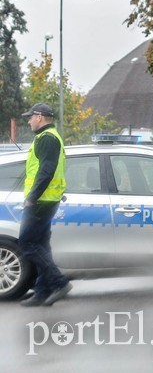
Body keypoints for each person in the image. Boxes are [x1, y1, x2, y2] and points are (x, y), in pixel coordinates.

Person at [18, 103, 72, 306]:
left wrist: (32, 197)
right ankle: (41, 291)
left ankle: (59, 282)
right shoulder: (48, 137)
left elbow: (47, 171)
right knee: (41, 245)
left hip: (41, 201)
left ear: (40, 117)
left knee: (27, 243)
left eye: (30, 117)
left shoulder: (47, 139)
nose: (29, 120)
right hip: (47, 199)